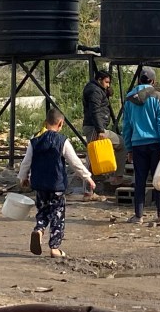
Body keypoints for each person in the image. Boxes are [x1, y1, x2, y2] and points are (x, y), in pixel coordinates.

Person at [18, 108, 95, 258]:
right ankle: (54, 248)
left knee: (42, 211)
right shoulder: (62, 141)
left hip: (39, 184)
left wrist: (23, 177)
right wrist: (88, 177)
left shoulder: (34, 141)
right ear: (61, 123)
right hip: (56, 185)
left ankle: (39, 230)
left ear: (46, 123)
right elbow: (75, 163)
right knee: (57, 214)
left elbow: (26, 162)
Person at [123, 67, 160, 224]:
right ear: (153, 81)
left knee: (140, 180)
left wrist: (128, 148)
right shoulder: (158, 97)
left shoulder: (129, 98)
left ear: (139, 81)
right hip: (155, 144)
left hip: (137, 145)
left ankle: (138, 216)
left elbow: (126, 126)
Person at [82, 70, 126, 198]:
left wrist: (106, 92)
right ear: (100, 79)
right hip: (95, 128)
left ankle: (116, 176)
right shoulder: (95, 91)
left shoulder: (95, 89)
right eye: (106, 82)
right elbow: (95, 111)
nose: (108, 85)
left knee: (120, 144)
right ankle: (88, 191)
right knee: (91, 159)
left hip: (95, 127)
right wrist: (100, 130)